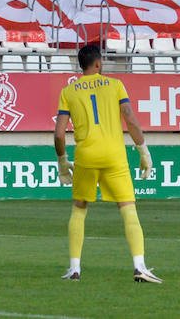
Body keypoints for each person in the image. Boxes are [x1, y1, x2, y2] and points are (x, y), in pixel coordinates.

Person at [54, 43, 160, 283]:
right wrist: (143, 150)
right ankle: (139, 266)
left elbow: (59, 134)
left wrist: (62, 161)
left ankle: (74, 269)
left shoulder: (69, 92)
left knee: (79, 208)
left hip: (86, 156)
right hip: (114, 155)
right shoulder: (116, 85)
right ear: (99, 63)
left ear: (80, 66)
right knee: (128, 208)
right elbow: (130, 119)